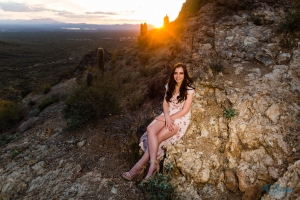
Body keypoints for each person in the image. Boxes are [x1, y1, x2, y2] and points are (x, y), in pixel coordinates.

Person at [122, 63, 195, 181]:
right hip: (168, 114)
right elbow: (165, 103)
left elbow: (185, 110)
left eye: (181, 73)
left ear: (185, 74)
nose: (178, 76)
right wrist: (166, 116)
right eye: (175, 73)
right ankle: (153, 164)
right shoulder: (169, 86)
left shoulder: (189, 89)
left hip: (180, 118)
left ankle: (141, 167)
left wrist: (170, 118)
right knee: (150, 129)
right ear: (173, 74)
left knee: (159, 137)